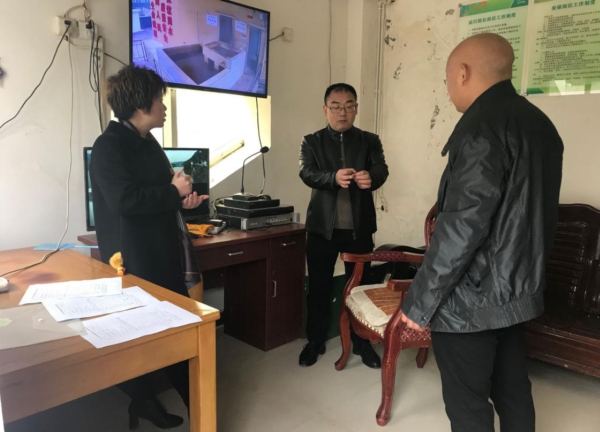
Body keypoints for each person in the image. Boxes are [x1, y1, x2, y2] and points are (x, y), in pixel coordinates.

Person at [400, 33, 564, 432]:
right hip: (515, 292)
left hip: (469, 302)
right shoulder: (540, 124)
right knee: (513, 390)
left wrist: (418, 306)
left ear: (462, 73)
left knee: (468, 405)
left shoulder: (480, 128)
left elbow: (461, 229)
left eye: (447, 78)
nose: (448, 87)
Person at [90, 65, 208, 429]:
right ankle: (152, 403)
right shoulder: (108, 146)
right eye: (160, 99)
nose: (164, 106)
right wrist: (172, 193)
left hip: (163, 252)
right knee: (144, 339)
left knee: (175, 335)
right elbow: (125, 201)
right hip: (135, 260)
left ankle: (199, 413)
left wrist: (183, 200)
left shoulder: (148, 142)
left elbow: (161, 194)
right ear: (142, 105)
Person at [298, 83, 389, 368]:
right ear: (325, 110)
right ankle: (315, 341)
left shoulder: (369, 140)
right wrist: (333, 178)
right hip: (322, 230)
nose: (342, 112)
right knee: (319, 287)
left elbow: (381, 169)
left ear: (356, 109)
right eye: (336, 106)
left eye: (349, 106)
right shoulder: (311, 141)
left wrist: (371, 178)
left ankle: (362, 343)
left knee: (360, 288)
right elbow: (307, 172)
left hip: (358, 229)